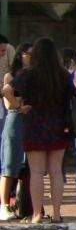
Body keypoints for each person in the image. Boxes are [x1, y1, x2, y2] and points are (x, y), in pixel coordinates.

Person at [4, 36, 76, 223]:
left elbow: (6, 90)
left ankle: (37, 213)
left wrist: (18, 107)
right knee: (56, 172)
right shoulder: (62, 74)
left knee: (36, 172)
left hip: (34, 124)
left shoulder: (27, 73)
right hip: (59, 125)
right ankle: (57, 213)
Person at [1, 42, 29, 220]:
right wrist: (20, 105)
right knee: (9, 165)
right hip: (15, 120)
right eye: (29, 53)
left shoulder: (35, 76)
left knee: (27, 168)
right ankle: (4, 204)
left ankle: (23, 203)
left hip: (31, 123)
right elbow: (7, 99)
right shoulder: (10, 76)